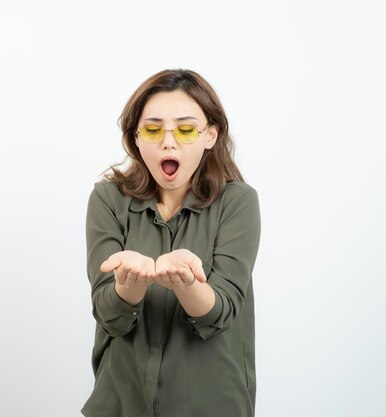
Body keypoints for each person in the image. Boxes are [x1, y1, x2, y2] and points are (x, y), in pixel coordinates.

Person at [82, 69, 261, 417]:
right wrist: (128, 287)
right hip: (121, 403)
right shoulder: (107, 199)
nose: (168, 141)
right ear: (136, 138)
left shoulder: (238, 202)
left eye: (185, 128)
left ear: (211, 134)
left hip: (210, 404)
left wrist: (186, 282)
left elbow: (220, 312)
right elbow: (108, 314)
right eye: (153, 128)